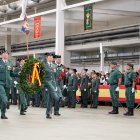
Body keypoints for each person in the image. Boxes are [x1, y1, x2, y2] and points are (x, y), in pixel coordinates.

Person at [43, 52, 61, 119]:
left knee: (50, 99)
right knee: (48, 99)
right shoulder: (43, 65)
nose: (51, 58)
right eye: (49, 57)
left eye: (52, 57)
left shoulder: (55, 66)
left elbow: (56, 77)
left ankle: (48, 113)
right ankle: (48, 113)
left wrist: (56, 86)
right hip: (47, 84)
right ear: (47, 58)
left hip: (53, 85)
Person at [0, 50, 15, 119]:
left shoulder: (10, 63)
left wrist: (19, 74)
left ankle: (3, 114)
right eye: (4, 53)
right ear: (1, 55)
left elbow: (11, 73)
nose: (6, 55)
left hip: (8, 84)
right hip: (0, 83)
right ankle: (7, 102)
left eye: (7, 54)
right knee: (4, 99)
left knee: (3, 100)